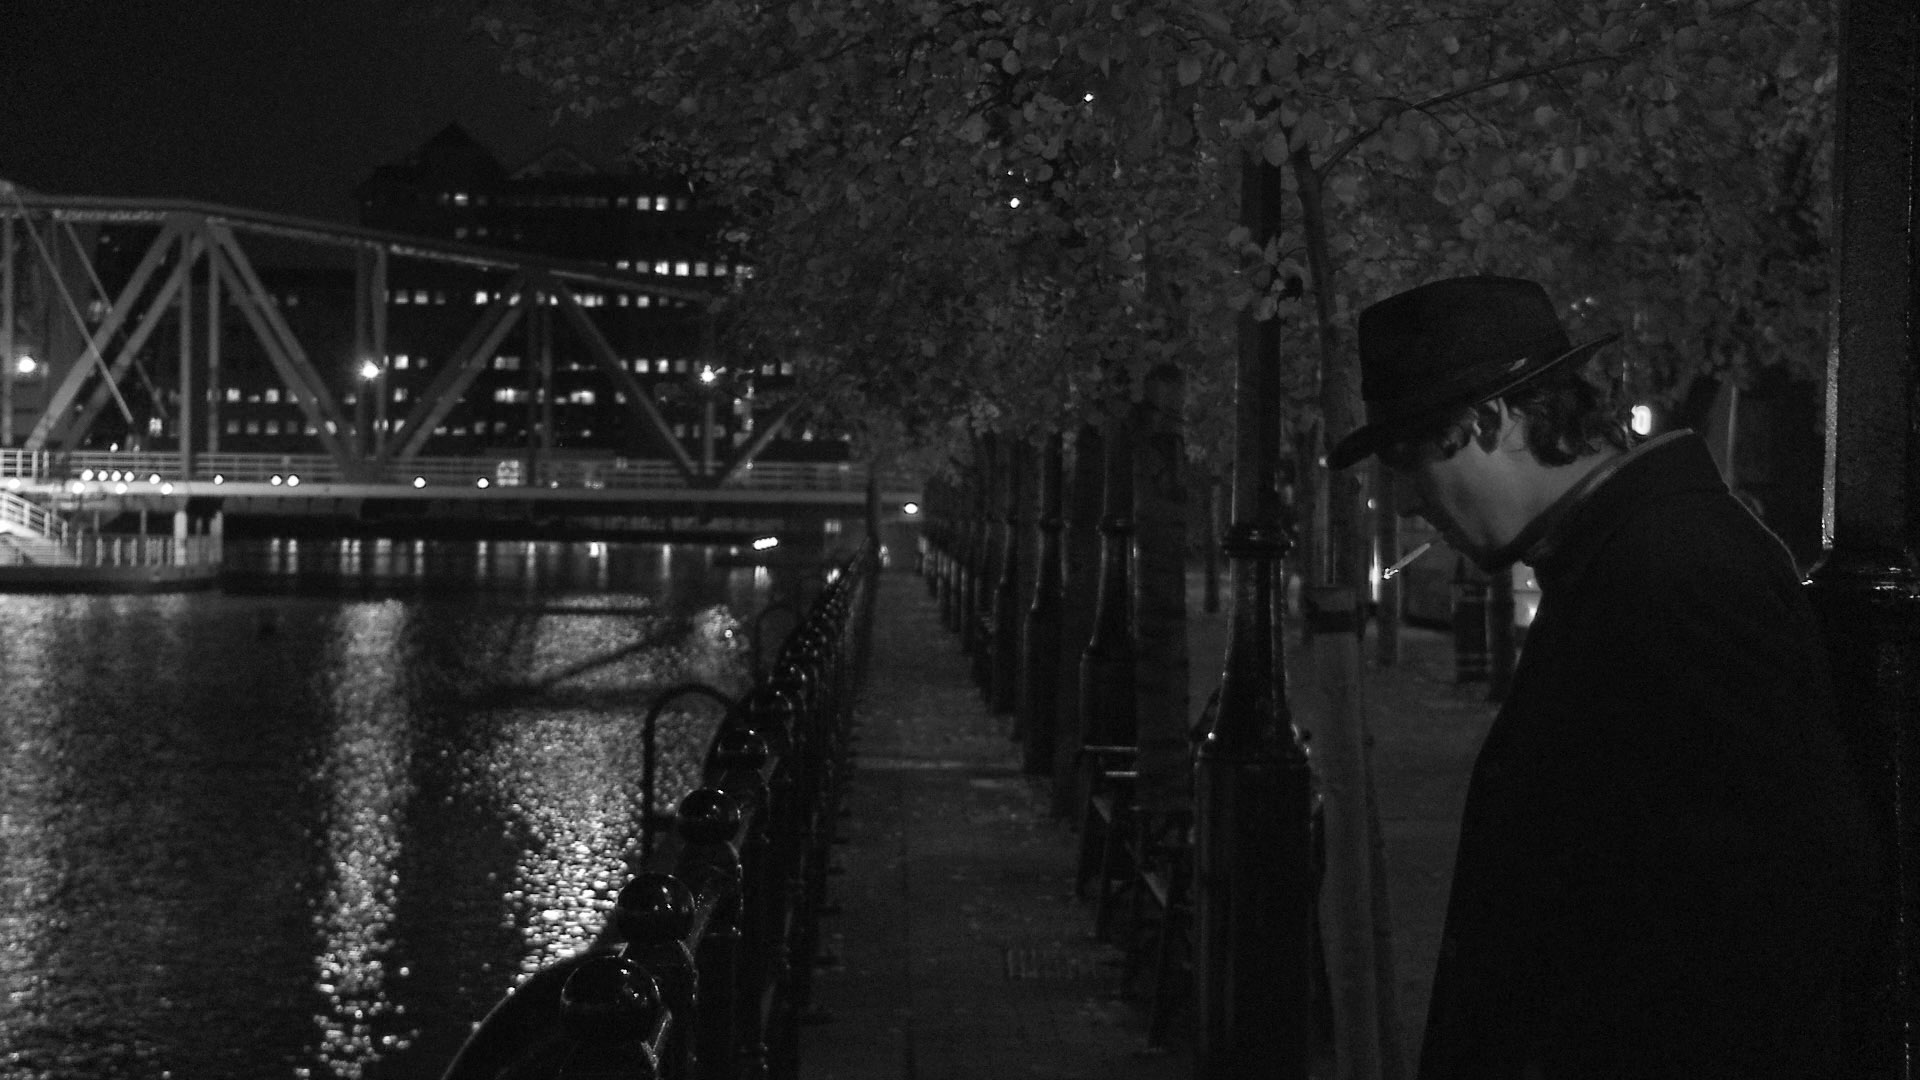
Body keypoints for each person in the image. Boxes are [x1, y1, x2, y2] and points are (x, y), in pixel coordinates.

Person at [1330, 275, 1891, 1079]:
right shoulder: (1630, 556)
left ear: (1490, 419)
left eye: (1408, 460)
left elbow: (1784, 909)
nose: (1407, 504)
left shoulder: (1673, 573)